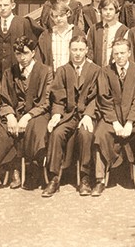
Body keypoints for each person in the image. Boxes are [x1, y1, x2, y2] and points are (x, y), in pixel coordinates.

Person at [42, 35, 101, 197]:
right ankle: (54, 178)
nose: (77, 53)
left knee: (86, 134)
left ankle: (85, 177)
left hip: (87, 116)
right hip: (68, 116)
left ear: (87, 51)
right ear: (69, 50)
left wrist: (89, 115)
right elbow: (58, 97)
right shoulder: (62, 70)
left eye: (81, 50)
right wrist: (56, 115)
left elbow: (97, 97)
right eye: (74, 49)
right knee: (57, 133)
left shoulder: (95, 70)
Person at [0, 36, 52, 191]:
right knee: (0, 131)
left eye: (25, 53)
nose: (22, 58)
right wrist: (10, 116)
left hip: (36, 113)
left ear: (33, 52)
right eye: (18, 54)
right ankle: (13, 168)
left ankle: (35, 170)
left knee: (36, 129)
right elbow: (4, 99)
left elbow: (45, 101)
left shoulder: (45, 71)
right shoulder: (9, 72)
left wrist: (27, 116)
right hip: (14, 112)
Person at [92, 39, 135, 196]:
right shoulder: (105, 71)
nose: (119, 56)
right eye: (116, 53)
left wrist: (130, 122)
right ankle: (100, 179)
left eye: (122, 53)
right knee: (100, 134)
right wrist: (115, 123)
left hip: (134, 116)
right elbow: (104, 99)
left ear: (129, 53)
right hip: (112, 116)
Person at [0, 0, 38, 79]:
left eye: (5, 5)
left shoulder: (23, 23)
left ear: (13, 6)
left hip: (18, 72)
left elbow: (31, 48)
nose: (3, 8)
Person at [36, 1, 84, 73]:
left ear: (68, 14)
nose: (58, 19)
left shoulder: (77, 33)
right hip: (53, 76)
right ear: (52, 17)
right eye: (55, 16)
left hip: (73, 74)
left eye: (61, 15)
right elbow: (40, 58)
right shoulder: (46, 35)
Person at [86, 0, 129, 67]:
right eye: (105, 9)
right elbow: (89, 51)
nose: (108, 12)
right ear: (100, 10)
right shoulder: (93, 29)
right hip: (96, 70)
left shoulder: (123, 30)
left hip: (115, 70)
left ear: (116, 11)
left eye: (111, 9)